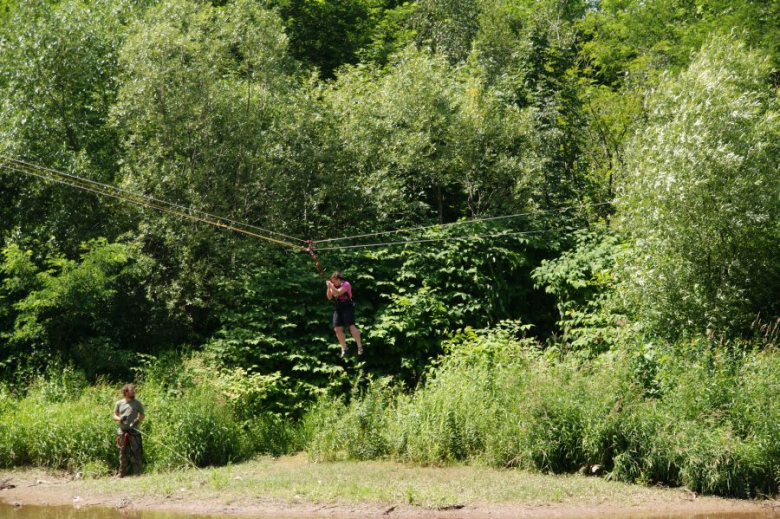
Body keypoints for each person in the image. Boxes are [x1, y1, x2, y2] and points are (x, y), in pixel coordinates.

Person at [326, 271, 363, 358]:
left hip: (347, 306)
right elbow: (329, 297)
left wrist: (331, 286)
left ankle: (359, 346)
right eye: (332, 282)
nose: (333, 283)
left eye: (334, 281)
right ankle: (344, 348)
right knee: (337, 329)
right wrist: (328, 288)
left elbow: (338, 293)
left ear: (339, 279)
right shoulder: (333, 286)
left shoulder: (346, 284)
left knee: (351, 326)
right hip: (338, 307)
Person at [113, 383, 145, 477]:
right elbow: (114, 415)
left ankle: (137, 473)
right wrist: (120, 419)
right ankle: (122, 473)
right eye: (132, 390)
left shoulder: (137, 403)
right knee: (122, 452)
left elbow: (142, 415)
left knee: (136, 451)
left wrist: (137, 420)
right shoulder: (119, 403)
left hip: (134, 431)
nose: (134, 391)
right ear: (126, 392)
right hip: (122, 431)